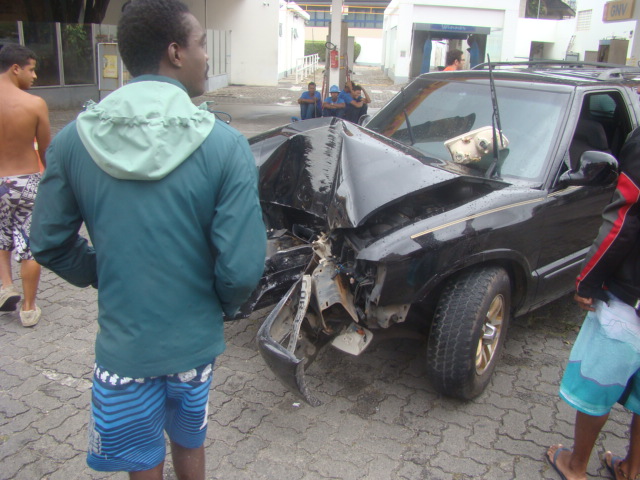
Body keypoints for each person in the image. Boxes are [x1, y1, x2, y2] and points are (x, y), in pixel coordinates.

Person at [30, 0, 267, 478]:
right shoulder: (225, 145)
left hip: (124, 349)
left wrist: (105, 270)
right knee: (190, 437)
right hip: (193, 345)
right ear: (176, 53)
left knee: (141, 459)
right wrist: (218, 304)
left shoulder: (74, 140)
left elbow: (48, 243)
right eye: (202, 44)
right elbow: (241, 269)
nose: (207, 56)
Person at [547, 127, 640, 480]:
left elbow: (624, 220)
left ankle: (576, 466)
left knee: (600, 381)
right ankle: (632, 469)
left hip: (630, 292)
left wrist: (588, 279)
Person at [0, 44, 50, 327]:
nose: (34, 76)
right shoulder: (33, 104)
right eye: (31, 69)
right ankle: (29, 309)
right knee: (29, 244)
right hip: (25, 182)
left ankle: (6, 286)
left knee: (1, 235)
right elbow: (46, 152)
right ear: (15, 68)